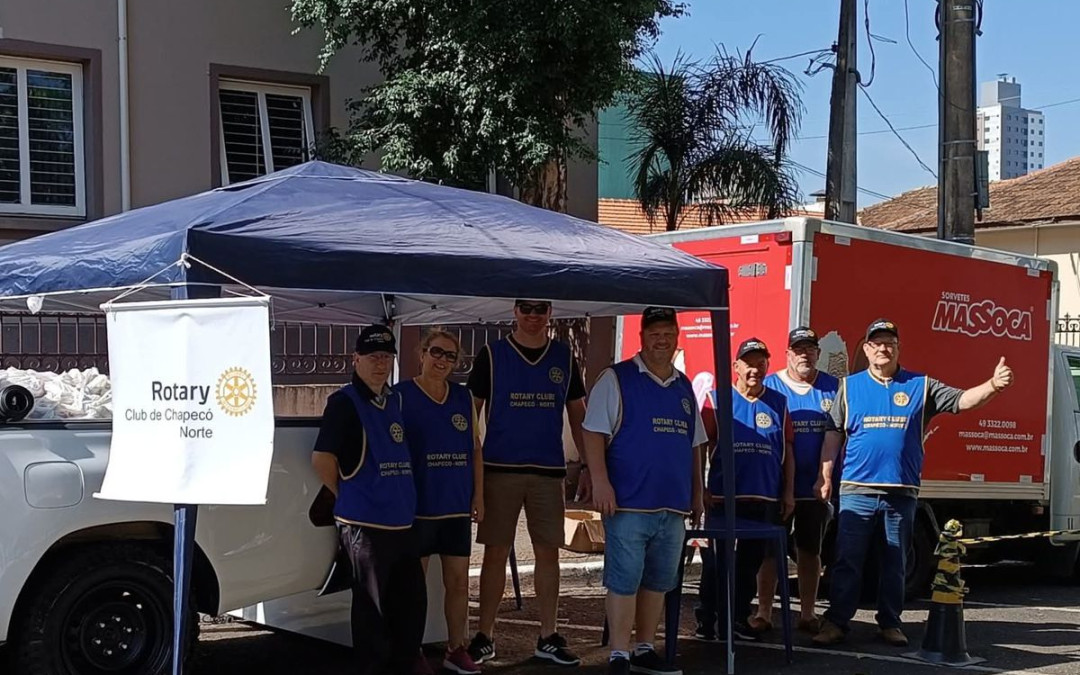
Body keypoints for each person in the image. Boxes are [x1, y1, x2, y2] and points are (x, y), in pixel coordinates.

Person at [812, 318, 1014, 647]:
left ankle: (890, 622)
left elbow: (962, 401)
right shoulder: (849, 387)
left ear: (898, 348)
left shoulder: (921, 385)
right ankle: (836, 622)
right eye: (876, 343)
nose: (883, 348)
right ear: (866, 349)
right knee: (847, 560)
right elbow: (833, 432)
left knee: (896, 561)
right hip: (856, 490)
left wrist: (992, 385)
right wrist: (824, 475)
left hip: (901, 491)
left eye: (889, 342)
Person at [583, 307, 706, 675]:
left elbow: (695, 444)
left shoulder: (684, 386)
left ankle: (644, 648)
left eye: (668, 332)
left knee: (658, 581)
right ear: (641, 337)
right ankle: (619, 653)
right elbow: (593, 432)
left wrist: (697, 494)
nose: (662, 339)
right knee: (624, 579)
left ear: (677, 336)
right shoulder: (617, 378)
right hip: (629, 504)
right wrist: (600, 481)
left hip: (672, 506)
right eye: (654, 333)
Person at [467, 299, 588, 666]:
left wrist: (587, 467)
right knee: (495, 554)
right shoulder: (492, 354)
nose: (533, 316)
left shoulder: (564, 357)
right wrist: (470, 473)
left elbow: (579, 415)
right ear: (514, 312)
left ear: (550, 312)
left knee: (548, 554)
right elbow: (468, 415)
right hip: (499, 468)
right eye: (526, 309)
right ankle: (485, 636)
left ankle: (547, 636)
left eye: (540, 309)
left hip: (548, 472)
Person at [311, 325, 428, 675]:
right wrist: (347, 495)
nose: (381, 363)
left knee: (409, 609)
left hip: (402, 523)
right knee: (371, 615)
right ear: (356, 358)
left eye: (387, 356)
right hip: (366, 526)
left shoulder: (394, 399)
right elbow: (322, 460)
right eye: (373, 356)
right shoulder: (344, 403)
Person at [394, 330, 485, 675]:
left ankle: (455, 648)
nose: (442, 360)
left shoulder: (463, 398)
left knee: (459, 583)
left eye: (450, 356)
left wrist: (479, 495)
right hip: (418, 508)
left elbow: (476, 449)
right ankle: (411, 650)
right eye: (436, 352)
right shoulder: (400, 396)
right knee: (413, 586)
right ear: (421, 353)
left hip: (456, 506)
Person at [696, 338, 795, 641]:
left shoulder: (779, 402)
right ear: (736, 366)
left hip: (764, 497)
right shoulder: (717, 399)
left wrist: (788, 492)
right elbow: (700, 446)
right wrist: (700, 487)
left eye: (760, 362)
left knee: (749, 565)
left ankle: (737, 619)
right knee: (715, 564)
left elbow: (788, 449)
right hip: (723, 498)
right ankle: (707, 622)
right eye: (748, 363)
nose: (755, 369)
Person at [756, 327, 839, 634]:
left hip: (815, 487)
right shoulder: (771, 386)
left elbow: (839, 435)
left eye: (810, 349)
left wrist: (825, 476)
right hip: (776, 487)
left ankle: (807, 613)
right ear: (788, 354)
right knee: (769, 551)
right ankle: (764, 612)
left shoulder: (833, 388)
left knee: (809, 550)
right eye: (798, 349)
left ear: (818, 353)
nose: (805, 354)